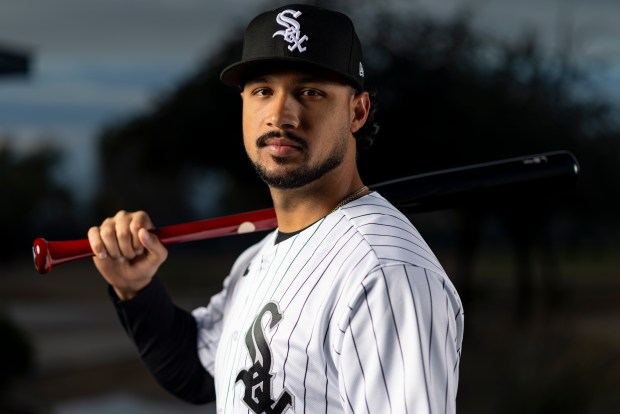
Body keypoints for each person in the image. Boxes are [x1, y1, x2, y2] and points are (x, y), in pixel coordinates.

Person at [88, 3, 464, 413]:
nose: (280, 114)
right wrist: (135, 287)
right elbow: (198, 372)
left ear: (357, 111)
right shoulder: (259, 257)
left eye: (310, 92)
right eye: (263, 90)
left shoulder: (386, 274)